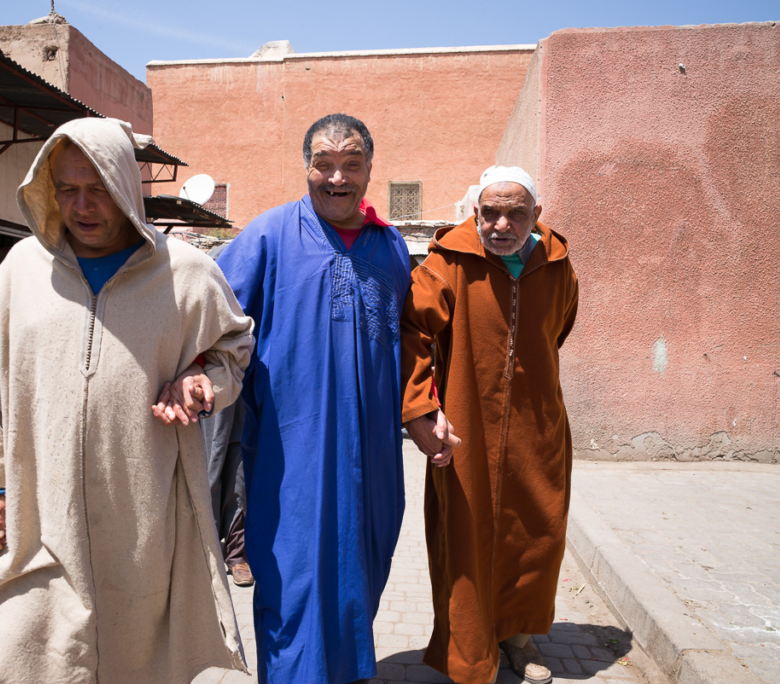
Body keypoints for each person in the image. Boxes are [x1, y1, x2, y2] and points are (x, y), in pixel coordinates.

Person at [0, 117, 254, 684]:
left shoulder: (186, 273)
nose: (82, 206)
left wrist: (202, 379)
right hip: (39, 514)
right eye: (67, 189)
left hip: (143, 517)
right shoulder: (19, 272)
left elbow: (234, 347)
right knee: (10, 653)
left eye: (99, 189)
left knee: (134, 658)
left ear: (127, 188)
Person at [212, 113, 410, 683]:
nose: (337, 178)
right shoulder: (271, 234)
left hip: (374, 456)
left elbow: (415, 338)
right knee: (292, 580)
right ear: (307, 168)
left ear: (369, 170)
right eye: (324, 164)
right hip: (291, 452)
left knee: (361, 573)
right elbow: (210, 313)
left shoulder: (392, 246)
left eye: (351, 164)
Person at [401, 166, 579, 684]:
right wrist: (422, 409)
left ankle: (519, 639)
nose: (502, 225)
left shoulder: (559, 267)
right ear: (474, 212)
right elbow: (412, 334)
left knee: (537, 536)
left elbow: (557, 328)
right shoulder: (447, 263)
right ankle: (471, 654)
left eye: (516, 214)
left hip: (538, 429)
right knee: (465, 539)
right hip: (467, 429)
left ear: (536, 215)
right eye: (491, 213)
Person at [201, 399, 252, 586]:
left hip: (239, 385)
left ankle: (236, 552)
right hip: (199, 387)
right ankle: (205, 548)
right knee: (208, 460)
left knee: (239, 458)